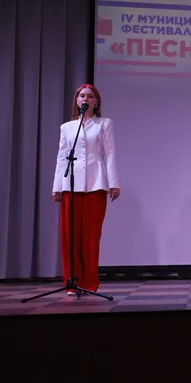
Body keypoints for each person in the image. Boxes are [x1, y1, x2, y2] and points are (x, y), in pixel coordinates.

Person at [52, 84, 120, 295]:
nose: (85, 99)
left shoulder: (104, 124)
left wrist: (114, 183)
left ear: (96, 102)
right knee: (70, 236)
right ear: (76, 100)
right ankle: (71, 283)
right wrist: (57, 186)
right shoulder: (67, 127)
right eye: (82, 96)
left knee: (91, 237)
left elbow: (109, 154)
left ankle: (89, 283)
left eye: (90, 96)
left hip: (95, 183)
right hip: (70, 186)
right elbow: (62, 158)